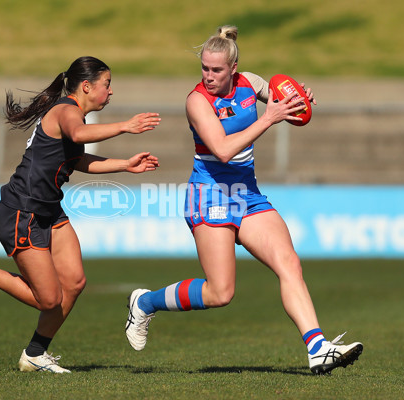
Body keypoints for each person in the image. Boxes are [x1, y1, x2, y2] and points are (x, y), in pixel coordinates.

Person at [124, 26, 363, 375]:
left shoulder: (250, 82)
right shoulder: (196, 101)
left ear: (234, 69)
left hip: (246, 193)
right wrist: (269, 118)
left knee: (289, 264)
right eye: (204, 68)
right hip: (208, 195)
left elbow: (286, 106)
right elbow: (221, 150)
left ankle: (317, 349)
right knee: (220, 293)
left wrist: (298, 100)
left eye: (216, 70)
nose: (208, 76)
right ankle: (145, 302)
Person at [0, 56, 160, 374]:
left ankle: (35, 354)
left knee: (74, 282)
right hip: (21, 212)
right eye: (107, 84)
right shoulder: (66, 111)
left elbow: (77, 159)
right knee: (48, 300)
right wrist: (125, 127)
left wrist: (125, 165)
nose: (111, 91)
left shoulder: (74, 115)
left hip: (49, 212)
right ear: (87, 86)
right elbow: (77, 135)